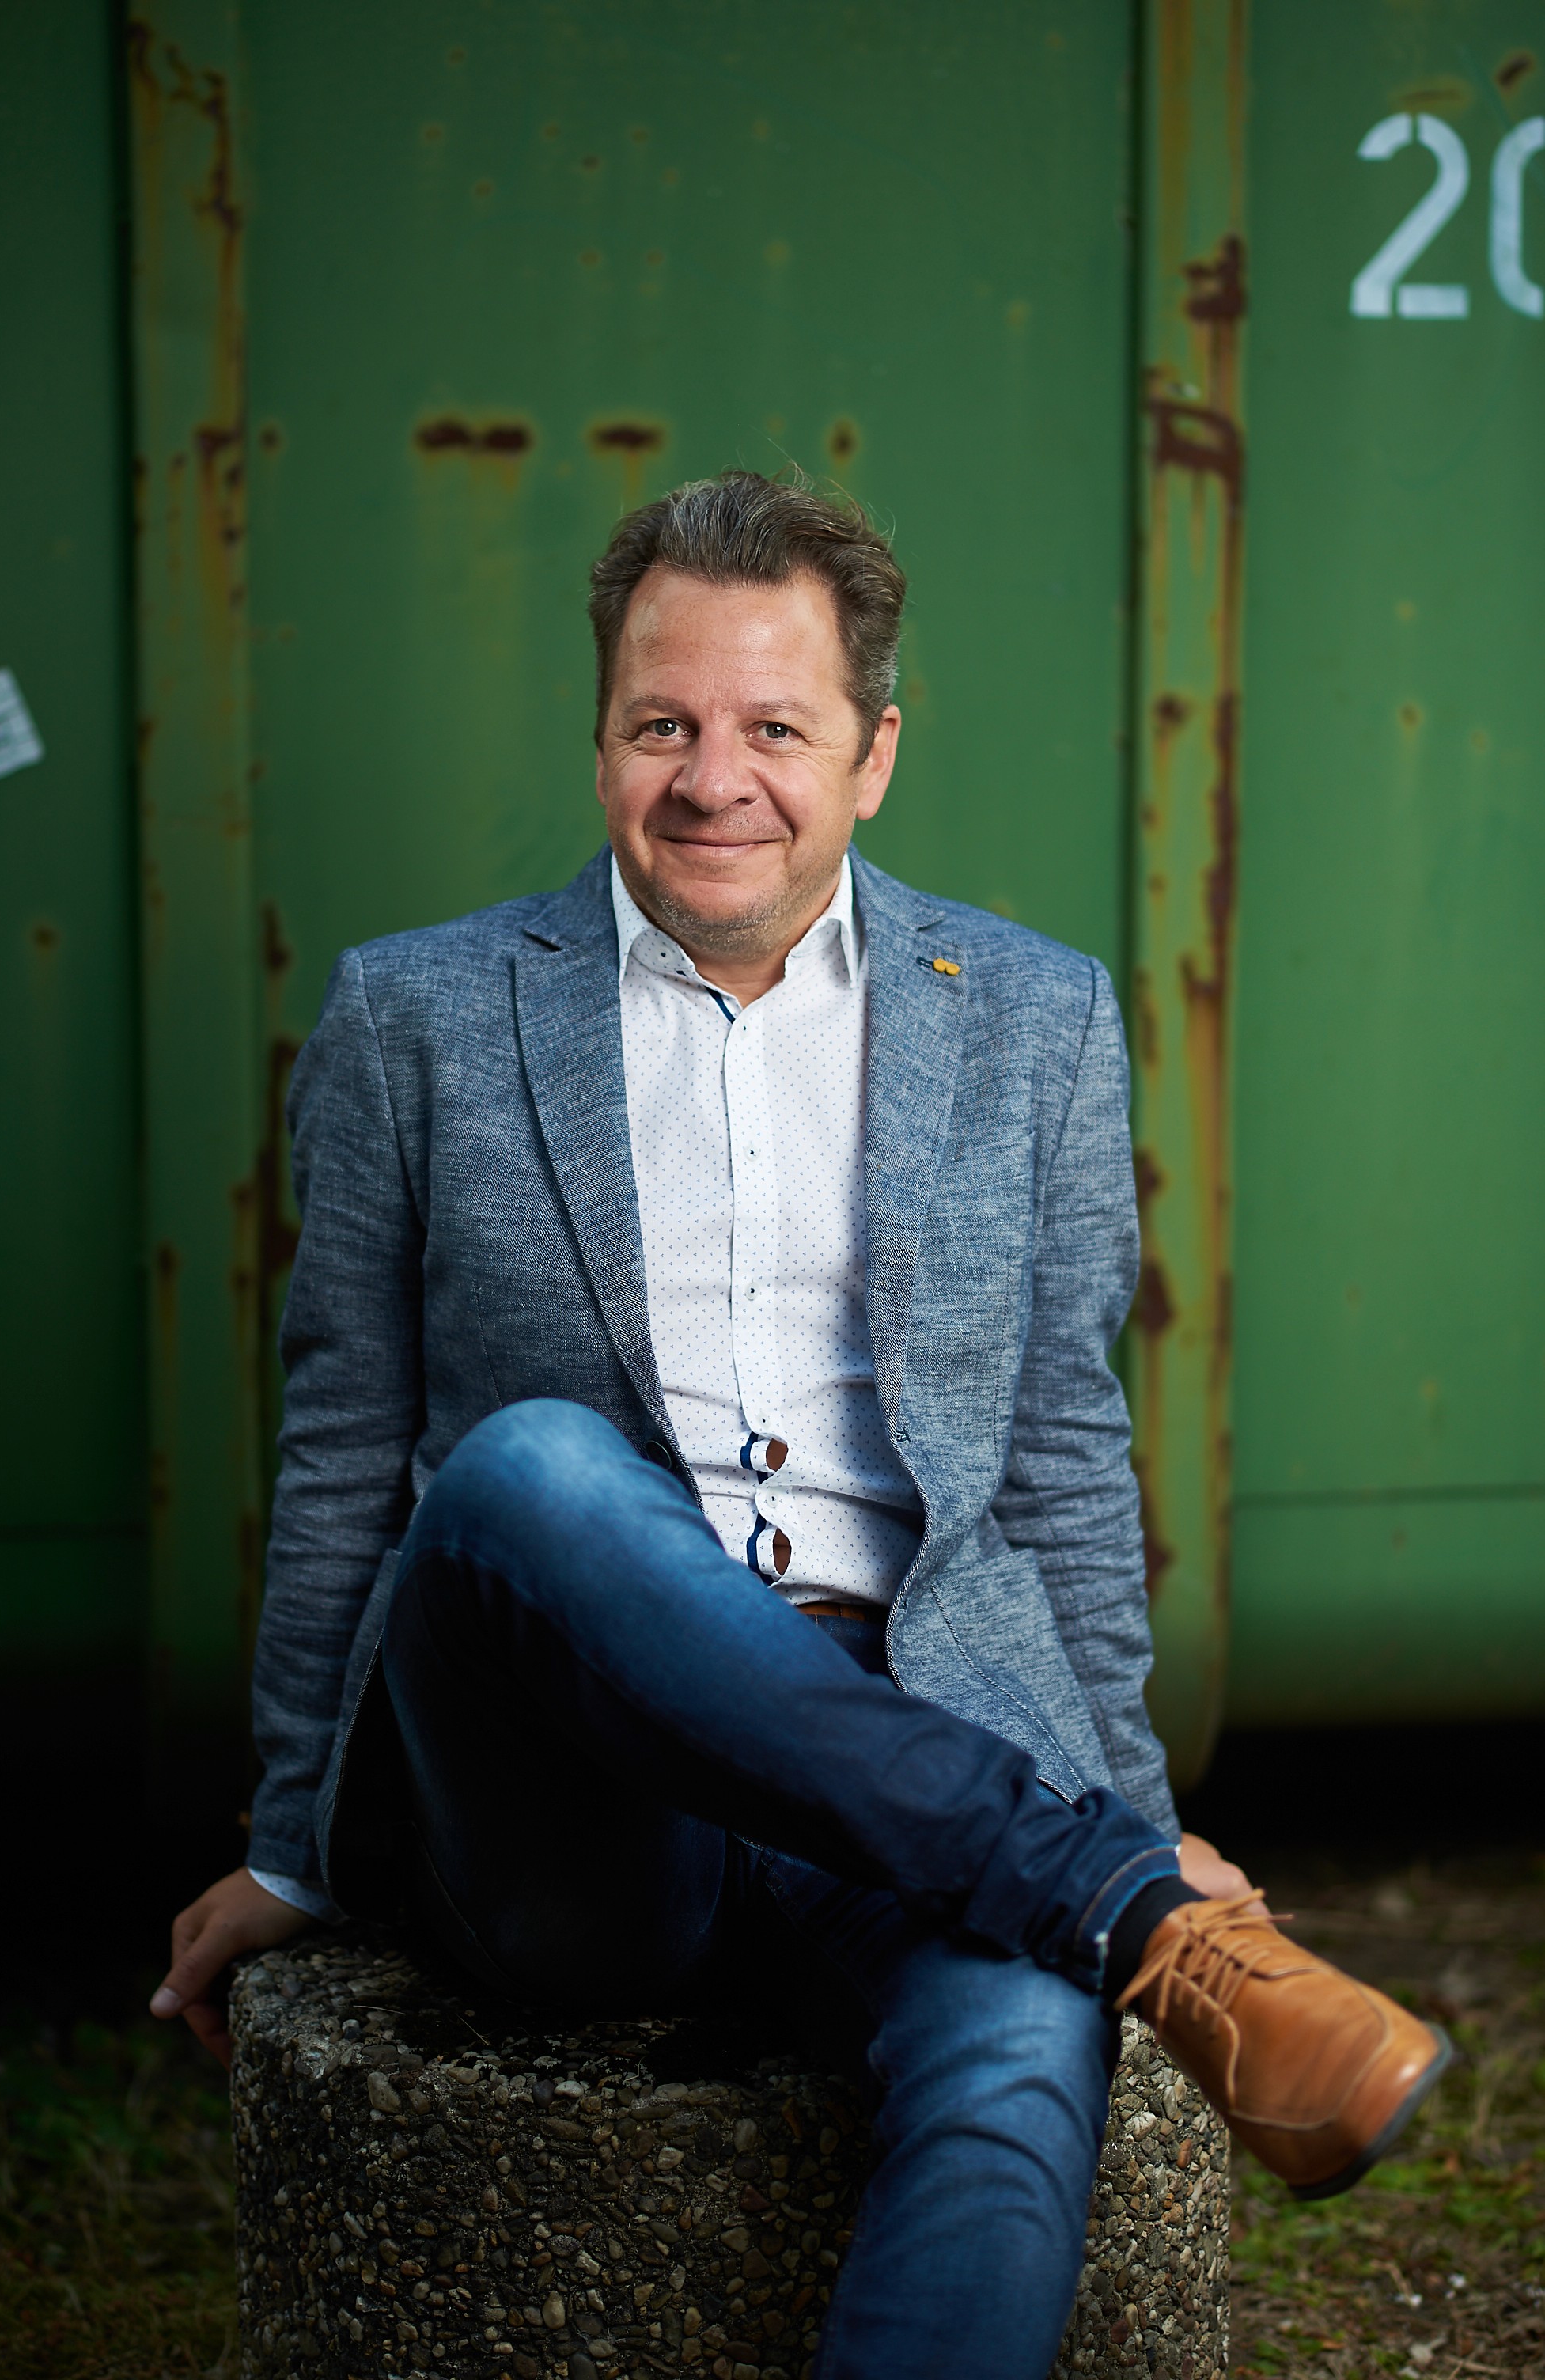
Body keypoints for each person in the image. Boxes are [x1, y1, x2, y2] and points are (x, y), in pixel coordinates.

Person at [153, 472, 1446, 2380]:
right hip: (580, 1796)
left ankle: (1085, 1898)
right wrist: (289, 1840)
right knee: (525, 1468)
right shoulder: (411, 1019)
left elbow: (1057, 1454)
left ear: (872, 756)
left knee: (1020, 2055)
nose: (712, 780)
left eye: (774, 727)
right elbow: (347, 1447)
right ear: (600, 738)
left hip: (917, 1724)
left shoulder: (1031, 1019)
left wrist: (1126, 1788)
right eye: (660, 724)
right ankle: (1113, 1911)